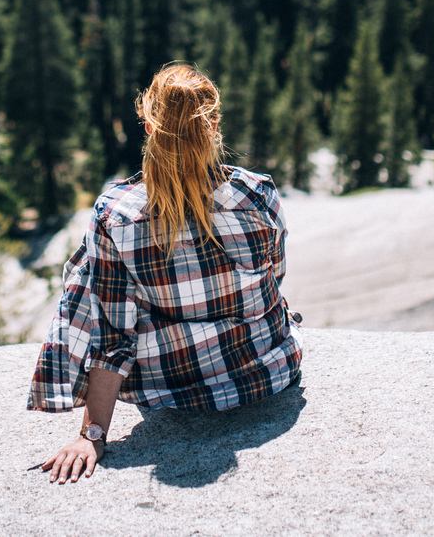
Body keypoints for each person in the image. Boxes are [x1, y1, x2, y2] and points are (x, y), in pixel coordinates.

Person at [27, 61, 303, 483]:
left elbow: (112, 334)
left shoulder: (117, 214)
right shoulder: (257, 193)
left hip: (169, 387)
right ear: (214, 127)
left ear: (149, 127)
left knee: (86, 273)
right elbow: (275, 278)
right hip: (265, 371)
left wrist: (93, 434)